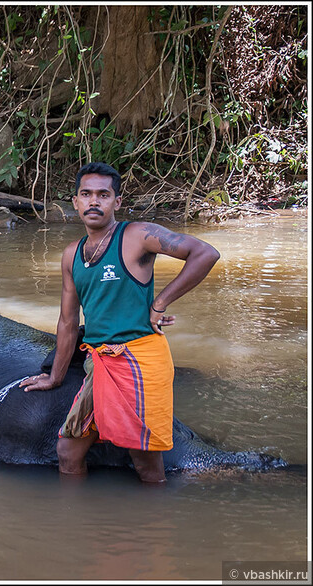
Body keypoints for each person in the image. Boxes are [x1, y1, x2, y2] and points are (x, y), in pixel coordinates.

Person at [21, 162, 220, 483]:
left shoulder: (137, 236)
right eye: (86, 194)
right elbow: (68, 322)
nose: (94, 202)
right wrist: (55, 377)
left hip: (139, 360)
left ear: (117, 201)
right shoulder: (72, 254)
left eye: (103, 194)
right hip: (98, 363)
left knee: (144, 461)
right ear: (75, 202)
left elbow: (205, 253)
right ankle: (76, 524)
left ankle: (152, 527)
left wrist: (159, 303)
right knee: (68, 452)